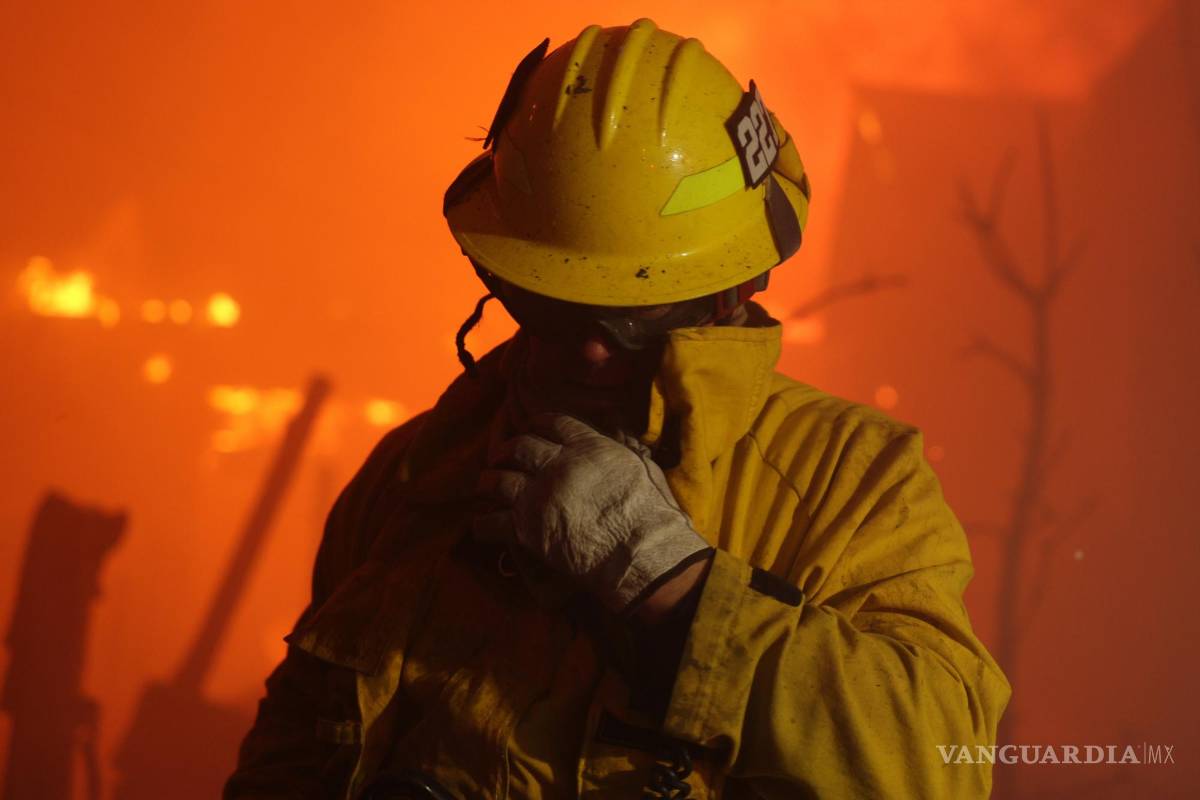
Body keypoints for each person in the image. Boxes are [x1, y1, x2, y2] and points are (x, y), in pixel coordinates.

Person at [226, 18, 1009, 800]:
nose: (594, 351)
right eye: (557, 305)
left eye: (640, 312)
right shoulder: (414, 477)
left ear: (732, 289)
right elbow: (290, 756)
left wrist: (674, 583)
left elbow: (940, 769)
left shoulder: (852, 483)